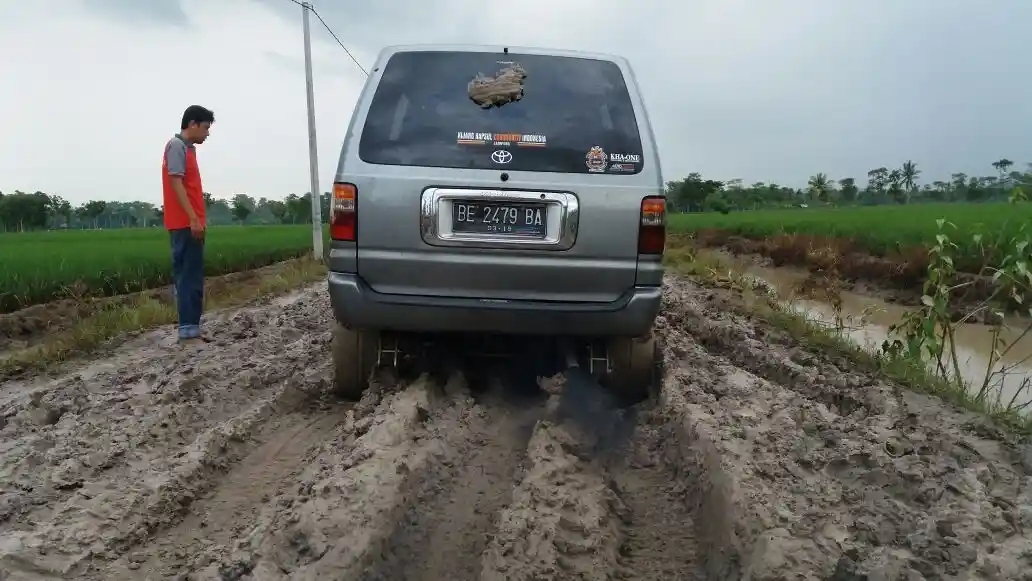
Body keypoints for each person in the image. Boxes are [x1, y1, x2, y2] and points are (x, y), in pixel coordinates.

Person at [163, 105, 214, 344]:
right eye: (205, 128)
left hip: (192, 223)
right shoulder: (177, 147)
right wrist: (193, 218)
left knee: (193, 276)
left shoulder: (189, 150)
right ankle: (187, 330)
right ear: (192, 124)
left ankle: (192, 328)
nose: (207, 133)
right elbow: (176, 183)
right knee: (186, 276)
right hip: (184, 224)